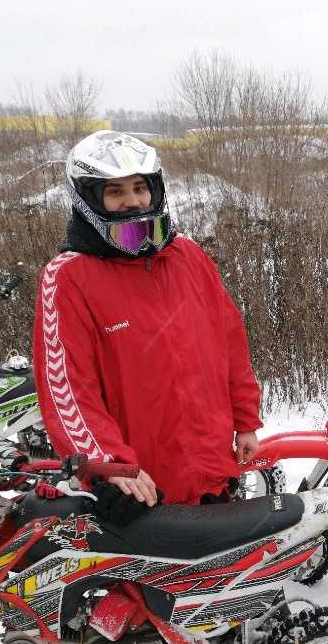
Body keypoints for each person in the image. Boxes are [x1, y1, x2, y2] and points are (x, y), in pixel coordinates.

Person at [33, 130, 263, 522]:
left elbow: (229, 342)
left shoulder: (188, 256)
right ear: (90, 199)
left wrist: (245, 421)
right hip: (142, 482)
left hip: (212, 468)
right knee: (156, 583)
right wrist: (110, 465)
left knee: (218, 578)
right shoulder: (69, 276)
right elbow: (67, 387)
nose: (133, 201)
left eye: (140, 187)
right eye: (115, 191)